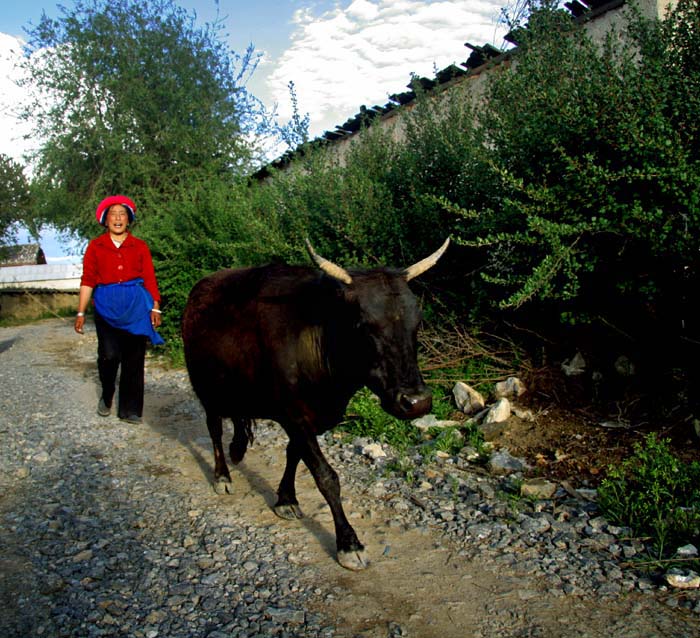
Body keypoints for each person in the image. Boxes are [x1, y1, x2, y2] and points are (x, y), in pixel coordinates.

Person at [74, 195, 164, 424]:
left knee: (134, 359)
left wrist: (155, 307)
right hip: (106, 307)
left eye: (122, 214)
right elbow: (87, 281)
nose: (118, 218)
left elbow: (150, 279)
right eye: (113, 214)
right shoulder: (96, 246)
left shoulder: (140, 246)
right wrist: (81, 312)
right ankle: (107, 393)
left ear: (128, 219)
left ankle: (130, 409)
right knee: (109, 355)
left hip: (136, 307)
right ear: (106, 220)